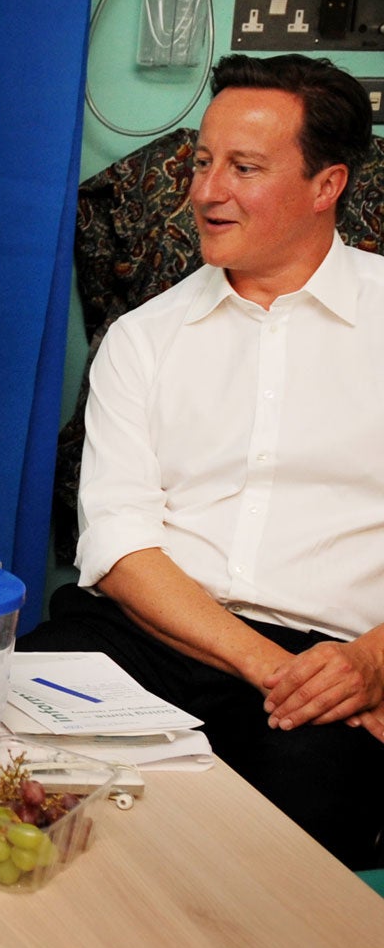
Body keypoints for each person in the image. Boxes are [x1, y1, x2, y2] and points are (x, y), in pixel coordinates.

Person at [26, 53, 383, 869]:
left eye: (244, 168)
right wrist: (274, 670)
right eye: (202, 162)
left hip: (333, 657)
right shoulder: (143, 340)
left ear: (326, 186)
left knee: (275, 866)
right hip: (152, 636)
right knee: (12, 752)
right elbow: (118, 547)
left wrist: (368, 665)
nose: (206, 191)